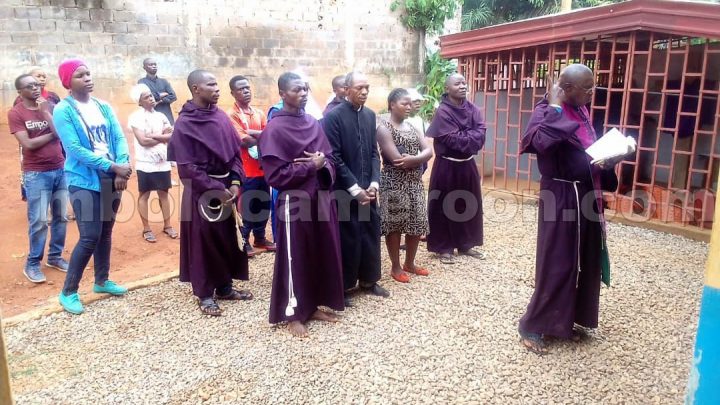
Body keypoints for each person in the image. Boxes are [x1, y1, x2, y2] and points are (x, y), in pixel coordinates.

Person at [518, 64, 619, 354]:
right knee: (558, 260)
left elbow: (586, 149)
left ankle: (565, 320)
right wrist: (554, 106)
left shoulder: (582, 110)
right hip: (561, 194)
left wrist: (607, 159)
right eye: (586, 88)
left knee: (583, 259)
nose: (592, 92)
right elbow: (539, 142)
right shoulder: (546, 110)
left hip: (585, 192)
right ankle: (533, 324)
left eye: (593, 86)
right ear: (566, 88)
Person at [260, 72, 345, 337]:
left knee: (319, 252)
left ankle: (312, 305)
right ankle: (293, 313)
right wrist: (311, 165)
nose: (304, 93)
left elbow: (329, 159)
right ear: (283, 94)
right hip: (295, 202)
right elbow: (276, 176)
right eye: (297, 90)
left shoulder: (312, 122)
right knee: (294, 256)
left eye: (306, 89)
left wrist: (322, 163)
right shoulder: (274, 128)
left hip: (321, 198)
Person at [168, 69, 252, 316]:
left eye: (217, 85)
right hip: (201, 192)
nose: (217, 89)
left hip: (227, 189)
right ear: (196, 89)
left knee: (225, 240)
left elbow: (236, 154)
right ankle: (204, 294)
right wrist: (216, 189)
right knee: (203, 243)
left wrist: (236, 182)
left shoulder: (221, 117)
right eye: (211, 85)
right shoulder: (184, 124)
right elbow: (187, 168)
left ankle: (225, 287)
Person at [52, 59, 131, 314]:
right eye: (80, 75)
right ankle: (68, 292)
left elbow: (118, 137)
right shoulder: (63, 110)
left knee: (105, 233)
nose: (87, 78)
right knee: (89, 236)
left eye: (88, 73)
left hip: (111, 175)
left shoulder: (103, 106)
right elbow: (74, 149)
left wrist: (122, 164)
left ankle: (101, 281)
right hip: (83, 180)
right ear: (68, 82)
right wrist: (112, 167)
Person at [323, 72, 388, 306]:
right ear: (346, 89)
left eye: (367, 88)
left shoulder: (370, 116)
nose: (364, 92)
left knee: (370, 232)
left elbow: (373, 153)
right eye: (359, 88)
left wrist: (373, 184)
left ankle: (369, 280)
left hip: (367, 189)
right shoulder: (333, 117)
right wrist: (354, 189)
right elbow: (335, 157)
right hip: (344, 190)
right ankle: (344, 285)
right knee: (347, 236)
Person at [9, 74, 68, 283]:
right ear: (20, 92)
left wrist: (46, 113)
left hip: (60, 168)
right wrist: (54, 133)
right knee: (39, 220)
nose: (35, 88)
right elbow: (29, 145)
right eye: (29, 86)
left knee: (61, 216)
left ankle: (55, 257)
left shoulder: (49, 105)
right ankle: (33, 263)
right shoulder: (16, 113)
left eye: (37, 84)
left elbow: (63, 130)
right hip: (36, 173)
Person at [426, 73, 487, 264]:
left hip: (467, 164)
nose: (462, 86)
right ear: (447, 88)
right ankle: (444, 247)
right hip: (447, 165)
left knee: (468, 204)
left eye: (463, 83)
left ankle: (466, 243)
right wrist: (470, 137)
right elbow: (450, 139)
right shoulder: (443, 112)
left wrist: (466, 137)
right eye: (457, 83)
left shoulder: (473, 109)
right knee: (444, 205)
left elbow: (481, 134)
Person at [376, 88, 432, 283]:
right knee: (395, 224)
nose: (409, 107)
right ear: (392, 105)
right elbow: (396, 159)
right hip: (393, 181)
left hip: (414, 182)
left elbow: (428, 152)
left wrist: (414, 159)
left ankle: (410, 262)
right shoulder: (383, 128)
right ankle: (396, 266)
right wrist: (416, 159)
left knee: (416, 223)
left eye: (410, 104)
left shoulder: (412, 127)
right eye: (404, 103)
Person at [226, 75, 275, 257]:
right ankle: (244, 241)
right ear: (233, 93)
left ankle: (260, 238)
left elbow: (269, 136)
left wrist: (260, 135)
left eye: (247, 88)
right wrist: (261, 136)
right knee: (247, 207)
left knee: (263, 204)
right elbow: (244, 140)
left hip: (262, 168)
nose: (246, 91)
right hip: (245, 170)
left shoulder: (259, 113)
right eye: (241, 89)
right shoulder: (231, 115)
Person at [127, 83, 177, 243]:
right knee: (145, 194)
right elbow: (142, 141)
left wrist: (153, 136)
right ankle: (146, 228)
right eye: (146, 97)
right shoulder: (135, 117)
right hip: (145, 162)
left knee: (164, 193)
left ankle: (167, 225)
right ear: (139, 102)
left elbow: (171, 137)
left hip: (162, 161)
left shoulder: (161, 116)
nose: (151, 98)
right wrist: (161, 135)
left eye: (151, 95)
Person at [138, 58, 177, 124]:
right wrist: (160, 95)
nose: (154, 66)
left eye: (155, 64)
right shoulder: (142, 82)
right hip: (150, 117)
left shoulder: (164, 81)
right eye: (150, 65)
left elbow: (173, 96)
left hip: (166, 115)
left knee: (169, 133)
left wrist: (159, 101)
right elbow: (143, 97)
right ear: (144, 67)